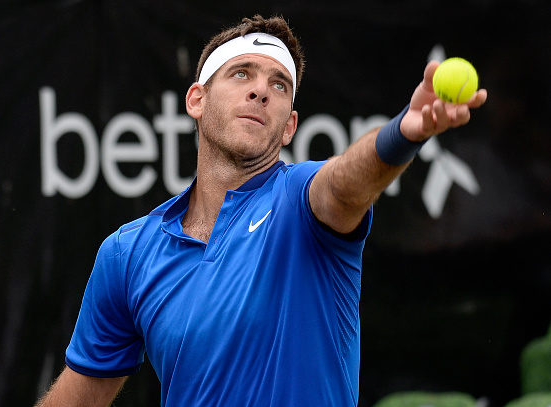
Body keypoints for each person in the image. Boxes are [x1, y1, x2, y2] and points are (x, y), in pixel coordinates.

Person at [35, 14, 487, 407]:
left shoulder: (300, 200)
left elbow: (346, 183)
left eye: (278, 85)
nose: (260, 92)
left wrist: (401, 135)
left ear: (290, 125)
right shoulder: (128, 254)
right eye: (241, 75)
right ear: (196, 99)